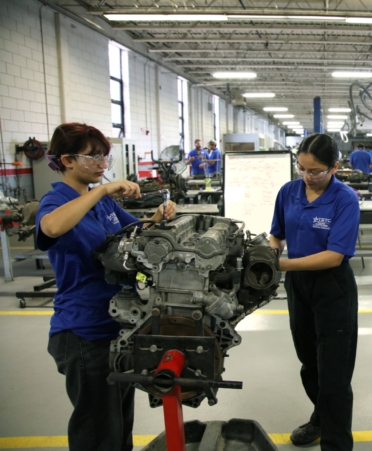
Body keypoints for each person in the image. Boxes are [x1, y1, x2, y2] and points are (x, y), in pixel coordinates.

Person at [35, 123, 176, 451]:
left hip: (116, 327)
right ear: (67, 160)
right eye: (93, 157)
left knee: (118, 427)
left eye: (104, 157)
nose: (101, 164)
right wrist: (101, 190)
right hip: (84, 332)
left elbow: (137, 235)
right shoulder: (59, 199)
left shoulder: (103, 205)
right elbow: (51, 227)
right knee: (98, 432)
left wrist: (158, 216)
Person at [269, 133, 359, 451]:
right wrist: (268, 256)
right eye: (302, 168)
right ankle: (321, 419)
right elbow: (276, 234)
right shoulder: (288, 192)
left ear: (334, 167)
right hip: (299, 287)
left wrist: (282, 266)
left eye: (316, 171)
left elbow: (335, 255)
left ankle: (336, 444)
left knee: (334, 373)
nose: (308, 176)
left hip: (332, 286)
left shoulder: (344, 199)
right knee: (309, 362)